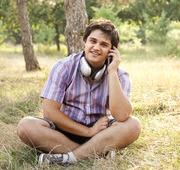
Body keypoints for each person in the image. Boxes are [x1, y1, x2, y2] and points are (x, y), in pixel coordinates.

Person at [17, 19, 141, 166]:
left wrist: (112, 72)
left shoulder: (120, 75)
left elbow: (121, 115)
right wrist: (88, 131)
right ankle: (95, 154)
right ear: (85, 42)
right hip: (64, 132)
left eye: (104, 44)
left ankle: (68, 158)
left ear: (112, 50)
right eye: (93, 41)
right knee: (26, 126)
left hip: (102, 133)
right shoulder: (64, 67)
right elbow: (50, 112)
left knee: (133, 125)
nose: (96, 47)